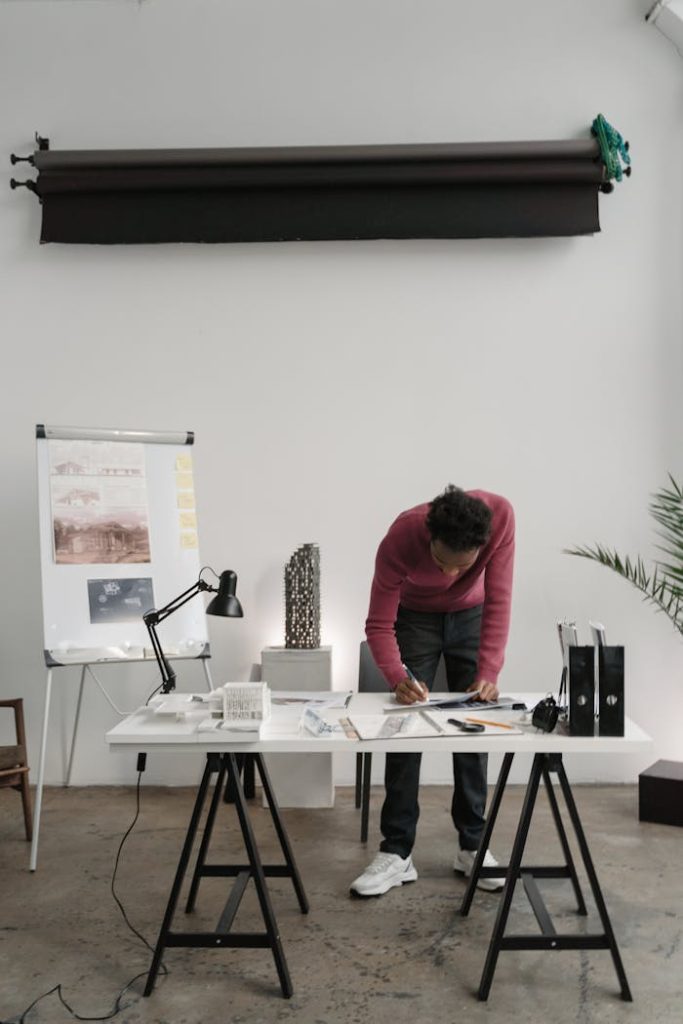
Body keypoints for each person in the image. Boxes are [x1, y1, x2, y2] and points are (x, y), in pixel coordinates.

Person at [350, 485, 515, 897]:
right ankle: (397, 853)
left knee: (474, 724)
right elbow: (378, 624)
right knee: (405, 724)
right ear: (429, 539)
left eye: (461, 567)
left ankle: (472, 846)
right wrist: (396, 677)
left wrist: (489, 670)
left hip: (471, 615)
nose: (448, 576)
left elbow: (499, 599)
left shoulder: (501, 519)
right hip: (416, 617)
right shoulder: (402, 536)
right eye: (442, 563)